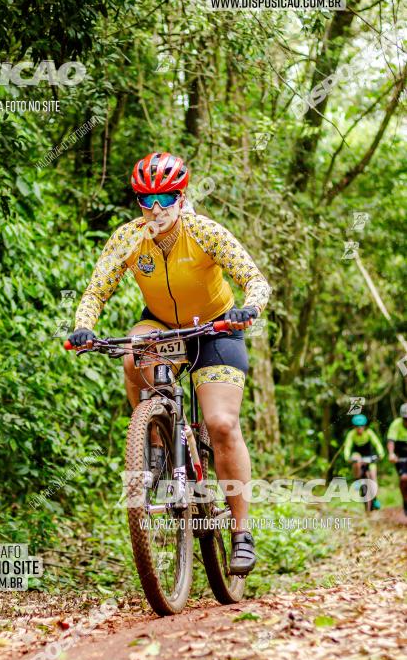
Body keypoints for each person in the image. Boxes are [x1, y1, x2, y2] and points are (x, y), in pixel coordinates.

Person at [68, 151, 270, 575]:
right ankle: (156, 447)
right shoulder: (128, 238)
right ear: (138, 202)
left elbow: (254, 279)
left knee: (221, 425)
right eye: (147, 200)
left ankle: (241, 533)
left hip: (216, 328)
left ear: (182, 197)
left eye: (167, 198)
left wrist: (247, 308)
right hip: (161, 325)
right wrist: (84, 326)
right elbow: (95, 292)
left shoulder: (205, 232)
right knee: (131, 355)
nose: (157, 209)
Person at [342, 414, 385, 509]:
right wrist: (347, 457)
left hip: (370, 457)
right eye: (357, 426)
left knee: (373, 477)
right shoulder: (351, 434)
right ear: (354, 427)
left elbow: (377, 444)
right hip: (359, 458)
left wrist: (380, 454)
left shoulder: (369, 433)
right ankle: (357, 480)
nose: (359, 428)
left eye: (361, 426)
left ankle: (375, 499)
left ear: (365, 426)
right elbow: (347, 447)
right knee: (356, 458)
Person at [386, 403, 407, 516]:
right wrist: (391, 454)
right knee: (404, 479)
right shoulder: (396, 425)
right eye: (405, 419)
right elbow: (391, 441)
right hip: (401, 457)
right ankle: (405, 501)